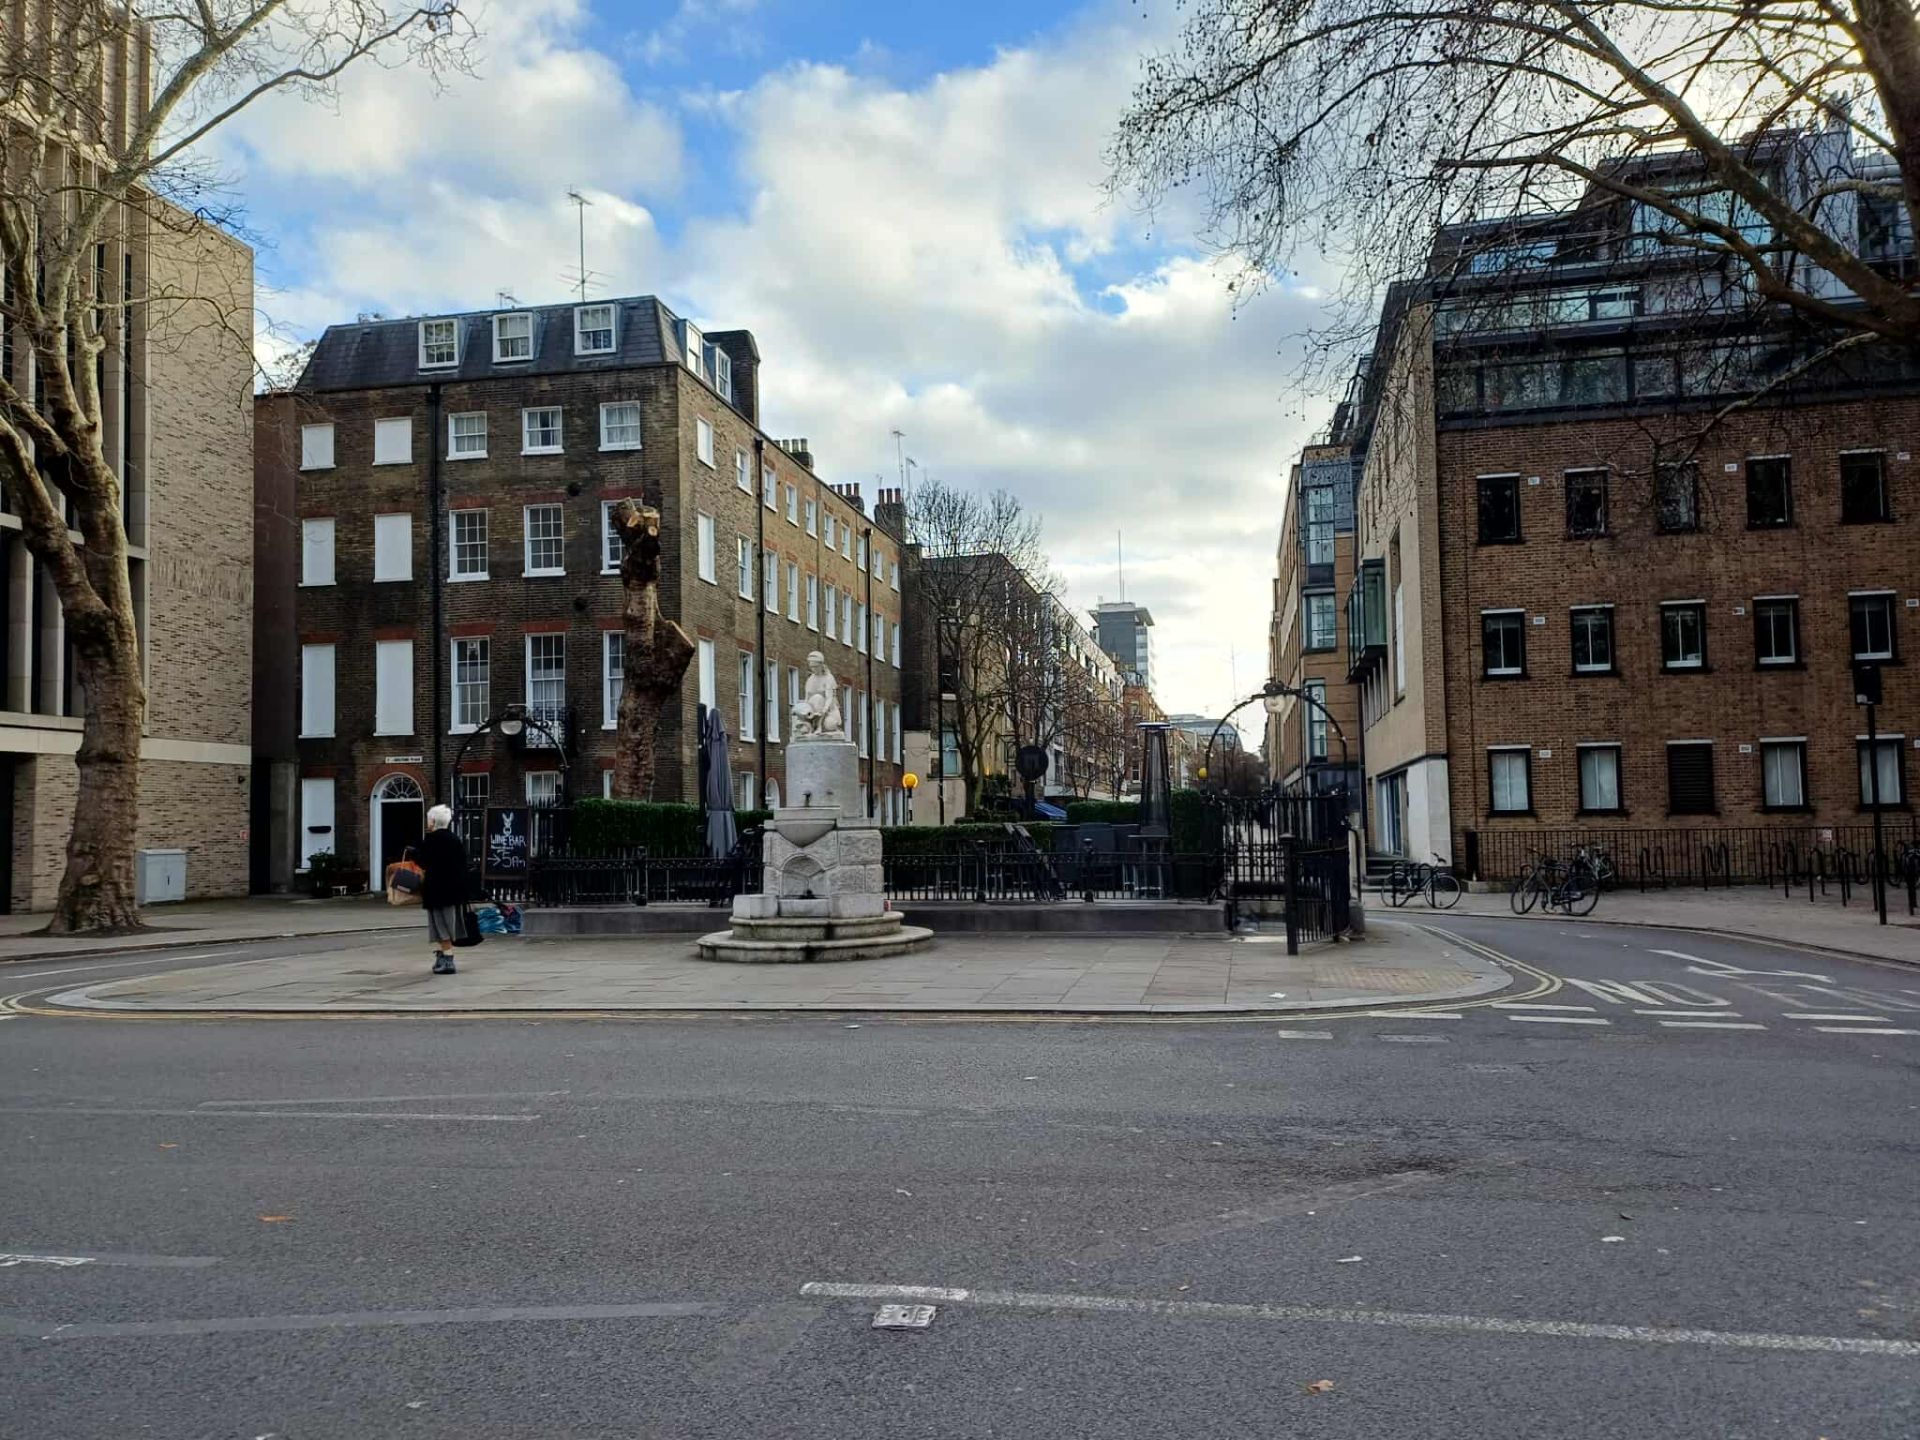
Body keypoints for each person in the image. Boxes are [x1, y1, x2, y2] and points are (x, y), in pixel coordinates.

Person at [417, 804, 470, 975]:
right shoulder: (455, 839)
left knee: (440, 925)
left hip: (436, 890)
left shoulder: (431, 840)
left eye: (428, 819)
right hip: (454, 890)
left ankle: (448, 959)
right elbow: (463, 863)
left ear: (433, 821)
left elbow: (423, 862)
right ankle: (443, 955)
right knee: (449, 924)